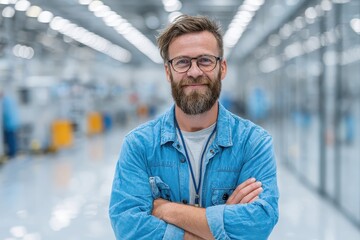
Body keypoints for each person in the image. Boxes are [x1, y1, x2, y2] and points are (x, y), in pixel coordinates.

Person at [109, 15, 279, 240]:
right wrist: (217, 227)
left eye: (205, 60)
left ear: (222, 68)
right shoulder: (139, 145)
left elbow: (258, 224)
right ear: (168, 72)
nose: (194, 71)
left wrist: (166, 209)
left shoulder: (253, 142)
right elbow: (128, 228)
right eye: (182, 62)